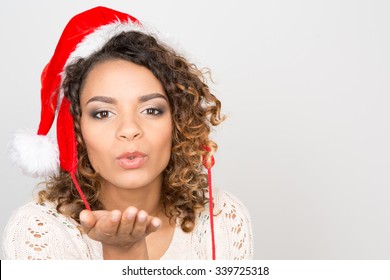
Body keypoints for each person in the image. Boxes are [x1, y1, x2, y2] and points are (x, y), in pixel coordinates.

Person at [3, 6, 253, 260]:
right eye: (103, 113)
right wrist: (123, 252)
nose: (129, 130)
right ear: (76, 132)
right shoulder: (39, 231)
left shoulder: (221, 217)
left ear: (178, 121)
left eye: (151, 110)